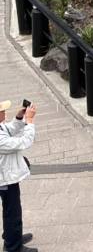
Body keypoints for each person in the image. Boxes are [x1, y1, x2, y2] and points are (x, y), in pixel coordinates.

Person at [0, 100, 37, 252]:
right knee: (12, 211)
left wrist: (19, 118)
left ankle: (12, 236)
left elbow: (9, 129)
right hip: (5, 178)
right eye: (1, 110)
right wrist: (29, 121)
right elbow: (24, 142)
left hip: (7, 175)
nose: (4, 111)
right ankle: (13, 247)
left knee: (11, 209)